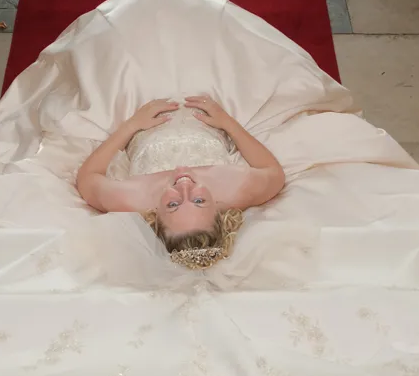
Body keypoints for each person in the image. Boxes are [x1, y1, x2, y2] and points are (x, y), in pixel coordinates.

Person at [74, 96, 285, 268]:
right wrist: (227, 123)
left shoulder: (130, 200)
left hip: (139, 102)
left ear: (155, 217)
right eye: (200, 200)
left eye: (173, 204)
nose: (184, 187)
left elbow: (88, 177)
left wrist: (131, 125)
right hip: (212, 102)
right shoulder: (238, 190)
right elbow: (273, 172)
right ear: (219, 208)